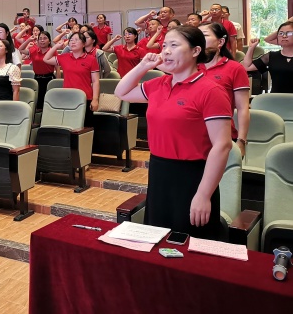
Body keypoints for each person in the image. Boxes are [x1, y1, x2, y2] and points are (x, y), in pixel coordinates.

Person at [114, 26, 232, 240]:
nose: (166, 51)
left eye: (174, 45)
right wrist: (144, 65)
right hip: (159, 171)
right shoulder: (158, 84)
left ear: (195, 51)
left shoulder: (211, 91)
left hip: (192, 177)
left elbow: (222, 146)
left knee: (189, 243)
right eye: (164, 46)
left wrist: (204, 194)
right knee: (157, 239)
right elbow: (121, 92)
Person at [199, 23, 250, 157]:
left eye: (203, 36)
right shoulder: (190, 67)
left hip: (221, 135)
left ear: (220, 42)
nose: (198, 40)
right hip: (191, 135)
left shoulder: (235, 68)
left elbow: (243, 108)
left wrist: (241, 140)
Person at [43, 32, 99, 124]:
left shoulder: (91, 59)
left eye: (76, 40)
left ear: (83, 44)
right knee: (68, 124)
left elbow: (95, 81)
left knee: (85, 126)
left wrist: (95, 99)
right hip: (68, 97)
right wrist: (56, 46)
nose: (73, 42)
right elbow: (46, 59)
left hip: (85, 97)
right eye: (71, 40)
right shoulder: (64, 57)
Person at [243, 20, 293, 94]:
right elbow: (247, 67)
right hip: (276, 98)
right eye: (281, 33)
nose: (284, 36)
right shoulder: (272, 56)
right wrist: (251, 48)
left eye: (289, 33)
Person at [18, 30, 57, 109]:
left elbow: (57, 67)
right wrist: (29, 40)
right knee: (38, 101)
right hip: (37, 78)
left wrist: (57, 81)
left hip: (49, 78)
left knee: (48, 101)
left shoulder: (52, 51)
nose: (42, 40)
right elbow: (20, 49)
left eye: (45, 38)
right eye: (40, 38)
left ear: (49, 41)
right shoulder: (34, 50)